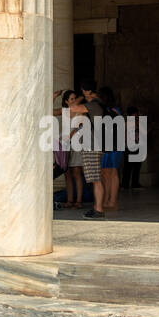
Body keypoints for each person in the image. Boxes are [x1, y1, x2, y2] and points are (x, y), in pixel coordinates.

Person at [79, 82, 106, 219]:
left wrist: (80, 97)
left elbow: (73, 108)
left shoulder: (94, 105)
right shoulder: (97, 104)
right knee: (95, 179)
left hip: (93, 146)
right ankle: (97, 208)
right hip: (93, 145)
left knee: (96, 179)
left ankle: (99, 209)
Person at [98, 86, 123, 211]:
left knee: (112, 172)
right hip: (105, 143)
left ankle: (112, 200)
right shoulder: (104, 108)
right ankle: (106, 199)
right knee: (105, 173)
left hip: (114, 143)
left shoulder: (115, 110)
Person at [62, 90, 85, 208]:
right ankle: (70, 200)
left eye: (74, 98)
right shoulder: (65, 112)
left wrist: (67, 137)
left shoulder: (80, 111)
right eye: (71, 99)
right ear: (66, 101)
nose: (74, 100)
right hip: (67, 143)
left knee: (76, 171)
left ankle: (79, 201)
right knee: (67, 173)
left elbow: (77, 127)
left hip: (77, 143)